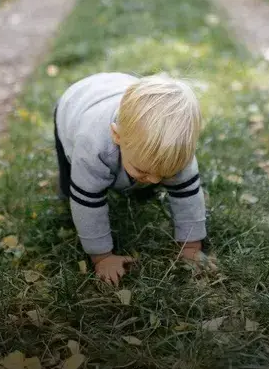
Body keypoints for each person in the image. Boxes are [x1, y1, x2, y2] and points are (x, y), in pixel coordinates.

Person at [53, 72, 212, 285]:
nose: (156, 180)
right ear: (117, 136)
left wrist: (191, 246)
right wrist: (102, 257)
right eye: (144, 171)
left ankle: (136, 179)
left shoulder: (177, 149)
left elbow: (188, 194)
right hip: (74, 104)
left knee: (146, 176)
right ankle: (68, 187)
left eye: (164, 175)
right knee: (76, 186)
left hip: (120, 85)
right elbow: (87, 203)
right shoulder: (91, 144)